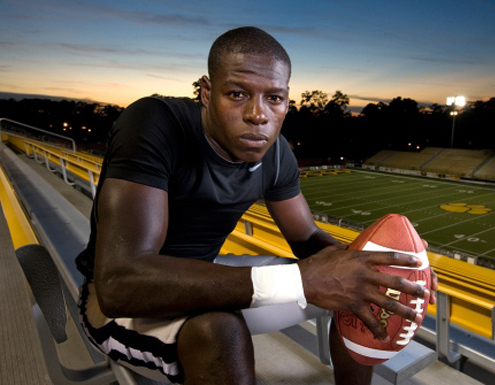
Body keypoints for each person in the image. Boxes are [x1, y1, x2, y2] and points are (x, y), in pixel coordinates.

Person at [75, 26, 438, 385]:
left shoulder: (277, 153)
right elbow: (119, 283)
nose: (258, 115)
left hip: (202, 272)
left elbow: (307, 237)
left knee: (357, 287)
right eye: (236, 93)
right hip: (119, 304)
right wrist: (298, 280)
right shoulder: (155, 123)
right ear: (205, 91)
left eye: (274, 98)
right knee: (221, 331)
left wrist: (377, 268)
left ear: (286, 100)